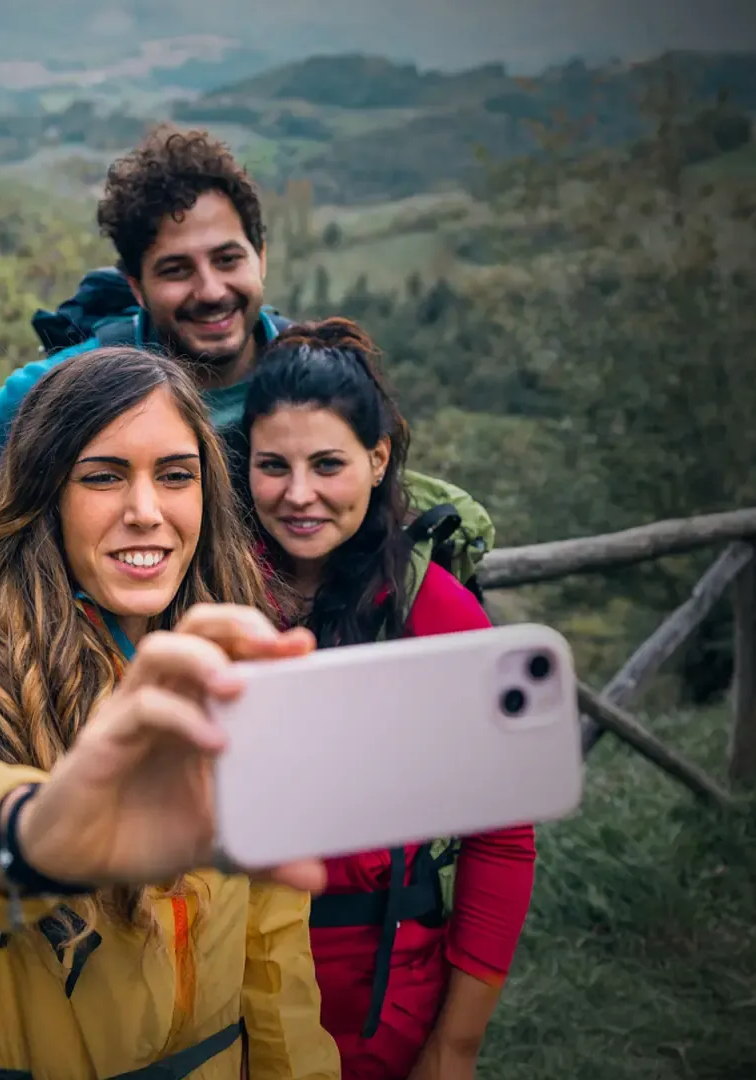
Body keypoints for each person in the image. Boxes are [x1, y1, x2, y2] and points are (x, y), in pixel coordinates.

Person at [0, 346, 342, 1080]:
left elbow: (276, 955)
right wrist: (31, 837)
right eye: (103, 477)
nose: (146, 512)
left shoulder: (231, 664)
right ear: (46, 496)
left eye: (175, 476)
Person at [237, 317, 536, 1080]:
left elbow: (500, 836)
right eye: (273, 465)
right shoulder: (218, 594)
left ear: (377, 460)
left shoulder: (430, 612)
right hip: (223, 994)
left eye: (327, 464)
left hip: (379, 1001)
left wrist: (456, 1044)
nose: (298, 494)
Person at [0, 124, 290, 546]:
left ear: (260, 258)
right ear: (137, 287)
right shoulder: (48, 395)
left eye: (227, 260)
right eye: (176, 270)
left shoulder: (324, 380)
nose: (210, 291)